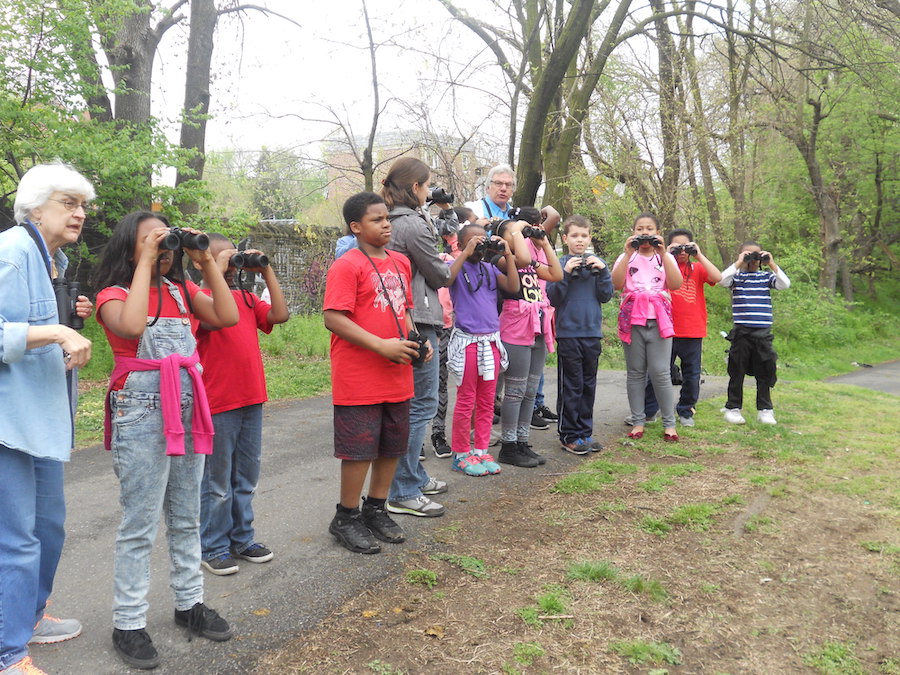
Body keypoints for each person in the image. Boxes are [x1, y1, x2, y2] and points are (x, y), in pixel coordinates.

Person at [94, 211, 239, 670]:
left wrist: (205, 261)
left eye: (165, 242)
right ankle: (128, 622)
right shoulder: (112, 295)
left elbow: (229, 314)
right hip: (140, 412)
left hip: (187, 407)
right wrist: (145, 262)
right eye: (148, 241)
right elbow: (133, 327)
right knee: (139, 523)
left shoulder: (181, 291)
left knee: (185, 515)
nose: (161, 249)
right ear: (128, 248)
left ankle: (189, 603)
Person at [0, 163, 94, 675]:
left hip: (39, 418)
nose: (79, 213)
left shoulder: (50, 259)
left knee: (48, 527)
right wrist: (56, 332)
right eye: (67, 203)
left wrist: (66, 318)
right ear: (35, 207)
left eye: (82, 205)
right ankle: (8, 651)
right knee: (16, 539)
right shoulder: (13, 252)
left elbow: (28, 322)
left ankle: (28, 616)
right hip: (8, 421)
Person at [323, 192, 428, 552]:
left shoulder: (400, 261)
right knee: (360, 448)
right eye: (377, 220)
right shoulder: (347, 265)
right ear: (356, 227)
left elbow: (405, 310)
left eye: (388, 219)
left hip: (397, 371)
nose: (386, 224)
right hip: (359, 375)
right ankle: (346, 516)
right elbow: (333, 318)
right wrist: (380, 345)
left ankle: (376, 509)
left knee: (391, 443)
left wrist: (417, 342)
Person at [194, 235, 290, 575]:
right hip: (218, 402)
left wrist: (267, 273)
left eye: (235, 261)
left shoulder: (248, 299)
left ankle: (242, 537)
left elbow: (280, 315)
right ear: (200, 262)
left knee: (245, 477)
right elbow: (210, 322)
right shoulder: (200, 299)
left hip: (251, 398)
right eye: (224, 260)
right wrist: (215, 269)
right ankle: (213, 546)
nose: (232, 268)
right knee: (216, 483)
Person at [382, 158, 454, 517]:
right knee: (420, 404)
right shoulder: (411, 224)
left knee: (412, 404)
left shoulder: (390, 221)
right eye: (427, 186)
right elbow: (440, 275)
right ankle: (403, 489)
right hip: (419, 319)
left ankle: (414, 475)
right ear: (415, 189)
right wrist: (460, 256)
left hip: (400, 317)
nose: (429, 192)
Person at [445, 224, 519, 475]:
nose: (479, 246)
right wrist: (464, 253)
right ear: (461, 244)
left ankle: (481, 450)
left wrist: (508, 254)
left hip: (491, 342)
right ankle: (461, 453)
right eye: (474, 242)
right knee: (466, 400)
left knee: (487, 401)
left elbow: (513, 286)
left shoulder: (489, 268)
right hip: (467, 341)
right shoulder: (456, 267)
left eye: (482, 242)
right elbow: (446, 279)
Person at [496, 213, 563, 468]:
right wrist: (516, 229)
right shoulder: (503, 259)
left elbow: (556, 274)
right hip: (514, 326)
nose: (522, 237)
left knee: (530, 391)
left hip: (537, 324)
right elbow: (520, 257)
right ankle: (509, 446)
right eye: (515, 234)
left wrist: (544, 242)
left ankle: (522, 442)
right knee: (515, 391)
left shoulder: (531, 261)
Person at [611, 213, 683, 442]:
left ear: (657, 232)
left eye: (649, 229)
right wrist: (627, 253)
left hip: (659, 320)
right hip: (632, 319)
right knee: (635, 373)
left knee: (661, 372)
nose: (644, 233)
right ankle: (637, 421)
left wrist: (663, 254)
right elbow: (615, 284)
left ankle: (669, 424)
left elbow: (676, 284)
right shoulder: (626, 256)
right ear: (633, 232)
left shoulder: (665, 257)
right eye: (640, 228)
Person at [546, 215, 613, 454]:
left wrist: (603, 271)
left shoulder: (597, 265)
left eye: (584, 235)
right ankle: (569, 434)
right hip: (568, 335)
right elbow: (552, 297)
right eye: (574, 235)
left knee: (588, 385)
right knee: (571, 386)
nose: (579, 240)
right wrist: (564, 272)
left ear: (589, 238)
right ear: (565, 238)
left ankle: (585, 433)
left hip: (592, 335)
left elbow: (606, 295)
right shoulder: (559, 263)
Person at [641, 229, 722, 427]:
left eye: (686, 247)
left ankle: (686, 410)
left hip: (693, 330)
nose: (682, 251)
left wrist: (699, 254)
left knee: (691, 374)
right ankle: (650, 410)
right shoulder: (664, 267)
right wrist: (666, 254)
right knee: (659, 371)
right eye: (677, 247)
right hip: (666, 329)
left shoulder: (698, 268)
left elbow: (717, 277)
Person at [718, 242, 790, 425]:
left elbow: (785, 284)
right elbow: (721, 280)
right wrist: (738, 263)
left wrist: (771, 264)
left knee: (765, 371)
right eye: (747, 255)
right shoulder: (737, 278)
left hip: (763, 333)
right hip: (742, 332)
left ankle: (765, 409)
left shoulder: (766, 277)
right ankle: (733, 408)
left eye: (755, 256)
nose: (752, 259)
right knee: (737, 371)